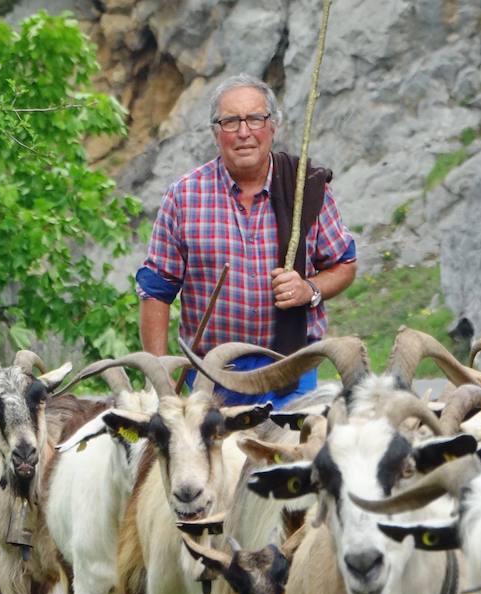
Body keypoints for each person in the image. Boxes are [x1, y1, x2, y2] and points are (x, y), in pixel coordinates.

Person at [136, 74, 357, 403]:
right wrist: (159, 374)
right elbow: (156, 289)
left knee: (291, 439)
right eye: (230, 121)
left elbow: (344, 264)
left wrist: (308, 289)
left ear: (273, 126)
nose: (243, 132)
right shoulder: (184, 197)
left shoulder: (306, 188)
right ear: (215, 131)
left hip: (291, 369)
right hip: (211, 377)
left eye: (255, 118)